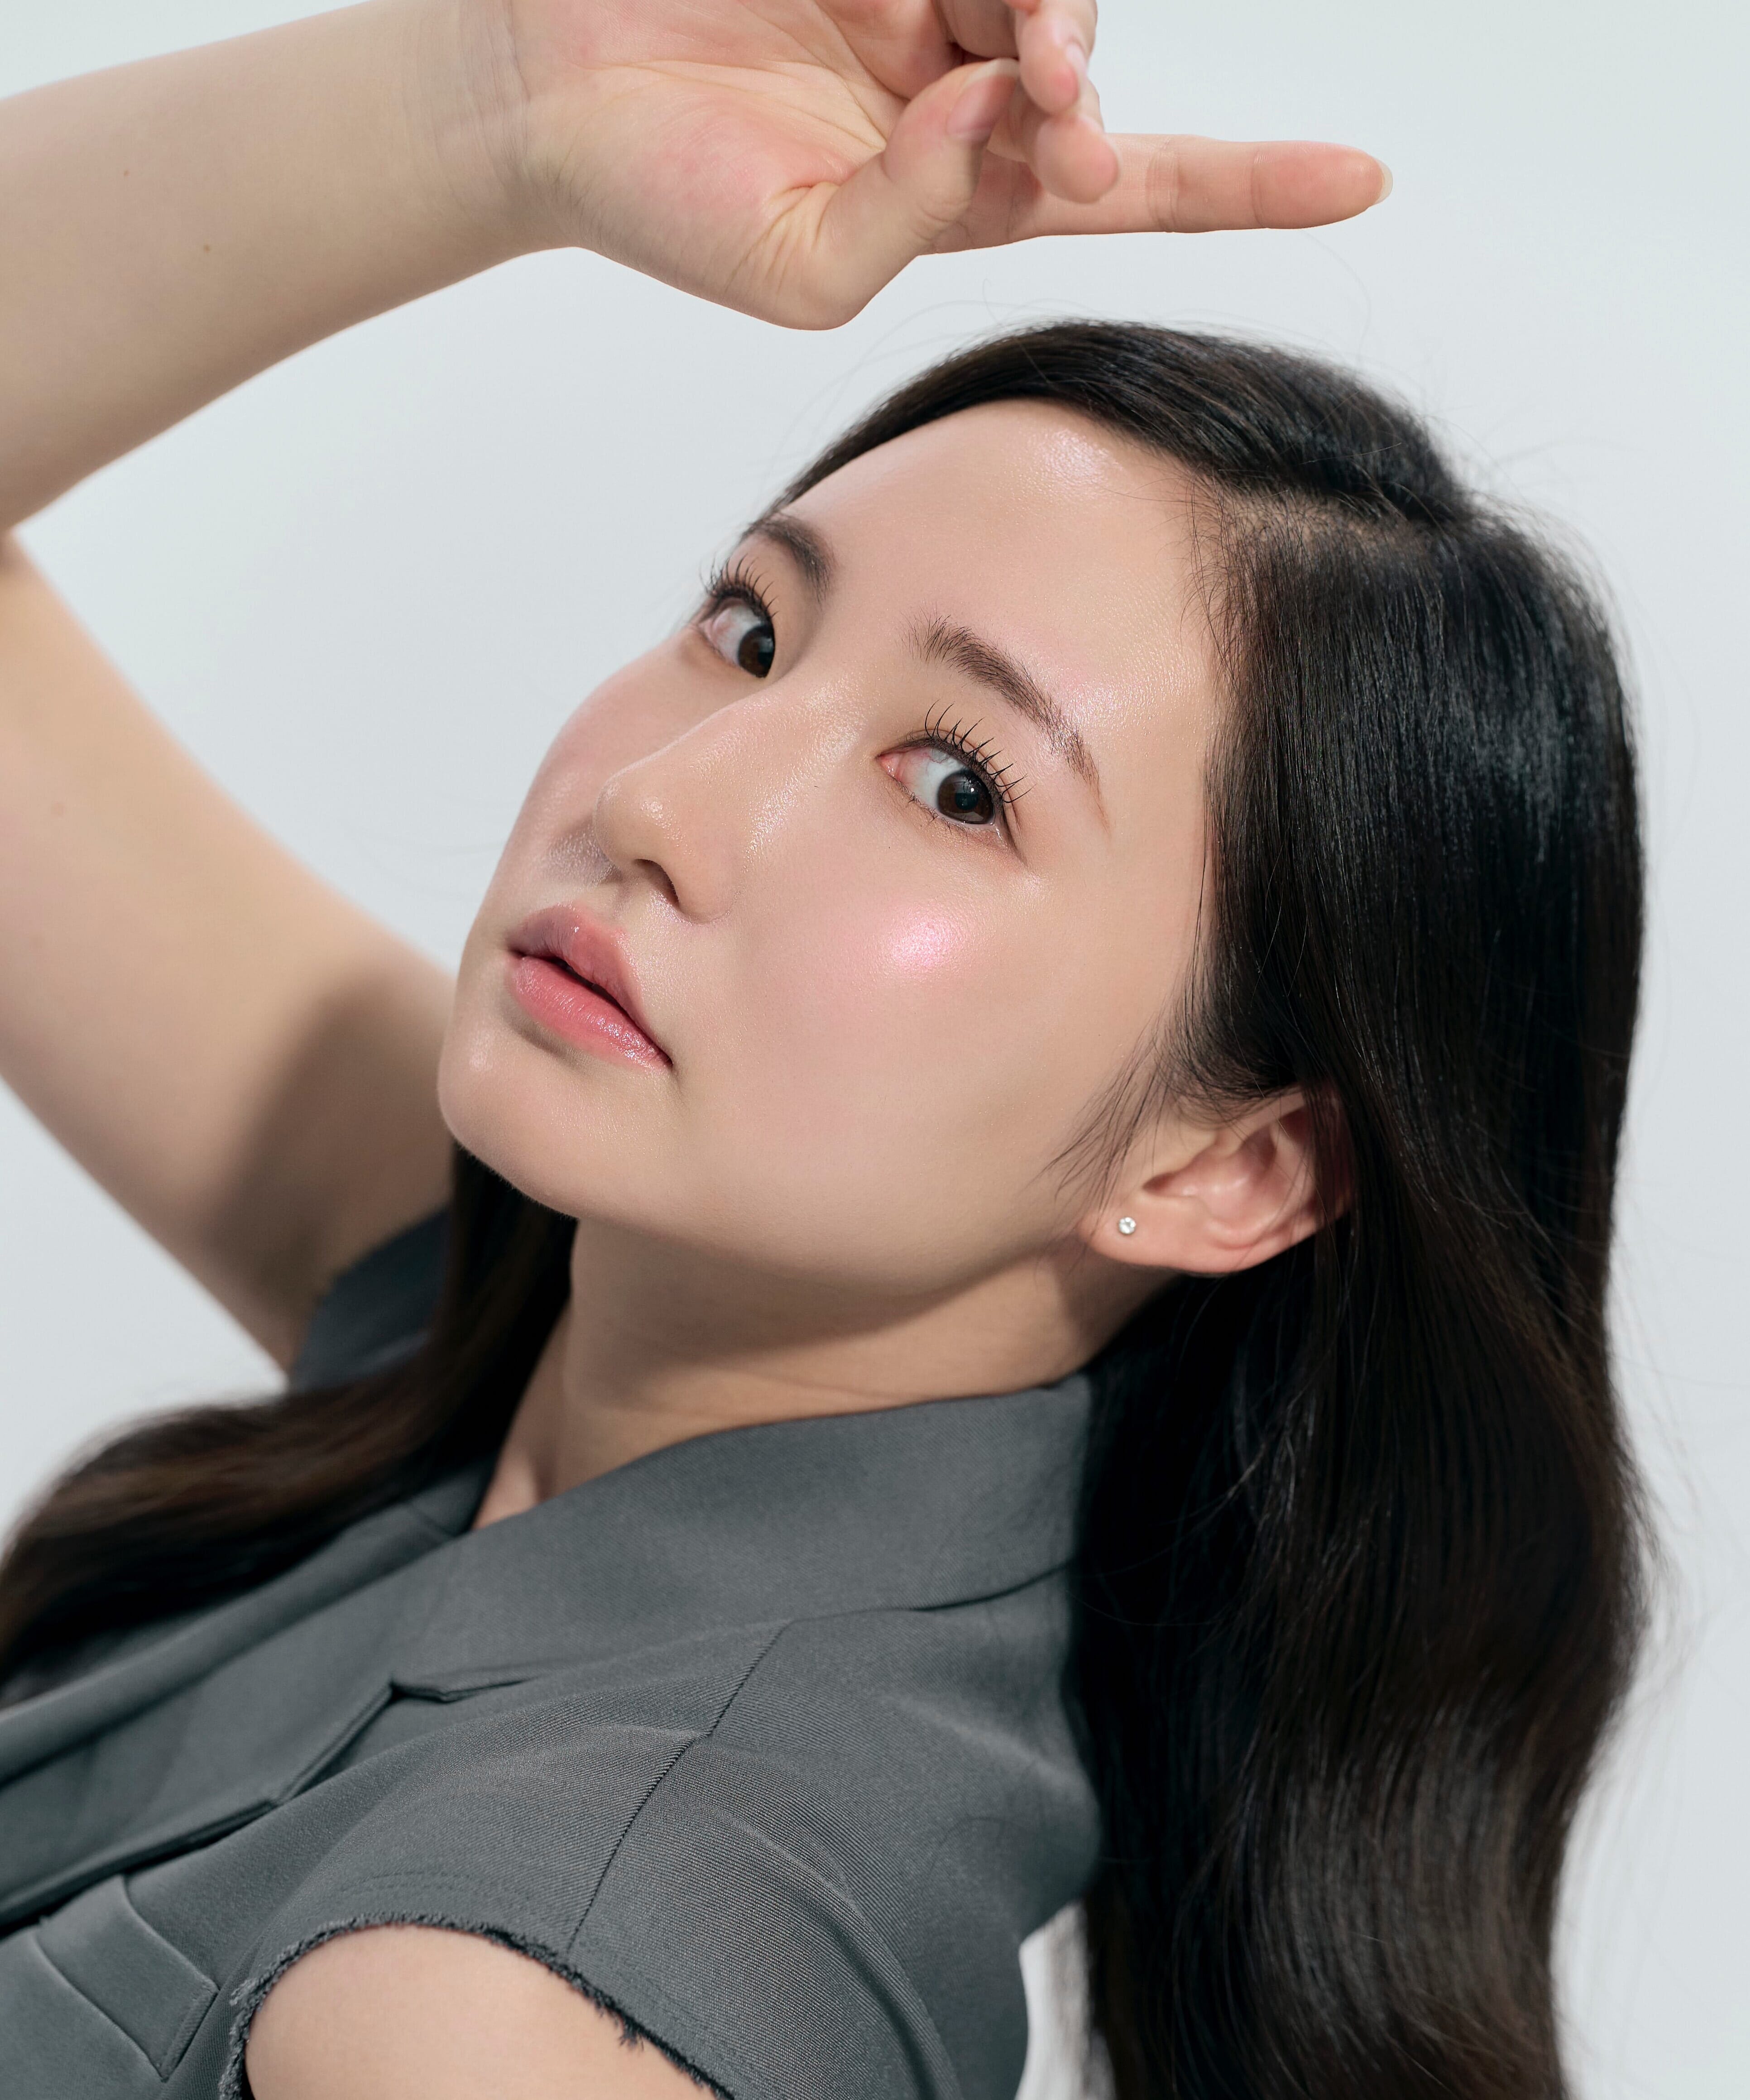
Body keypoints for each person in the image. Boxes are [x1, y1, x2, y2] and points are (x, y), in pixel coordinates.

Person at [0, 4, 1646, 2099]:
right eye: (752, 628)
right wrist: (515, 95)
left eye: (958, 785)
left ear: (1224, 1163)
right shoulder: (541, 1333)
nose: (664, 797)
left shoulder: (510, 2004)